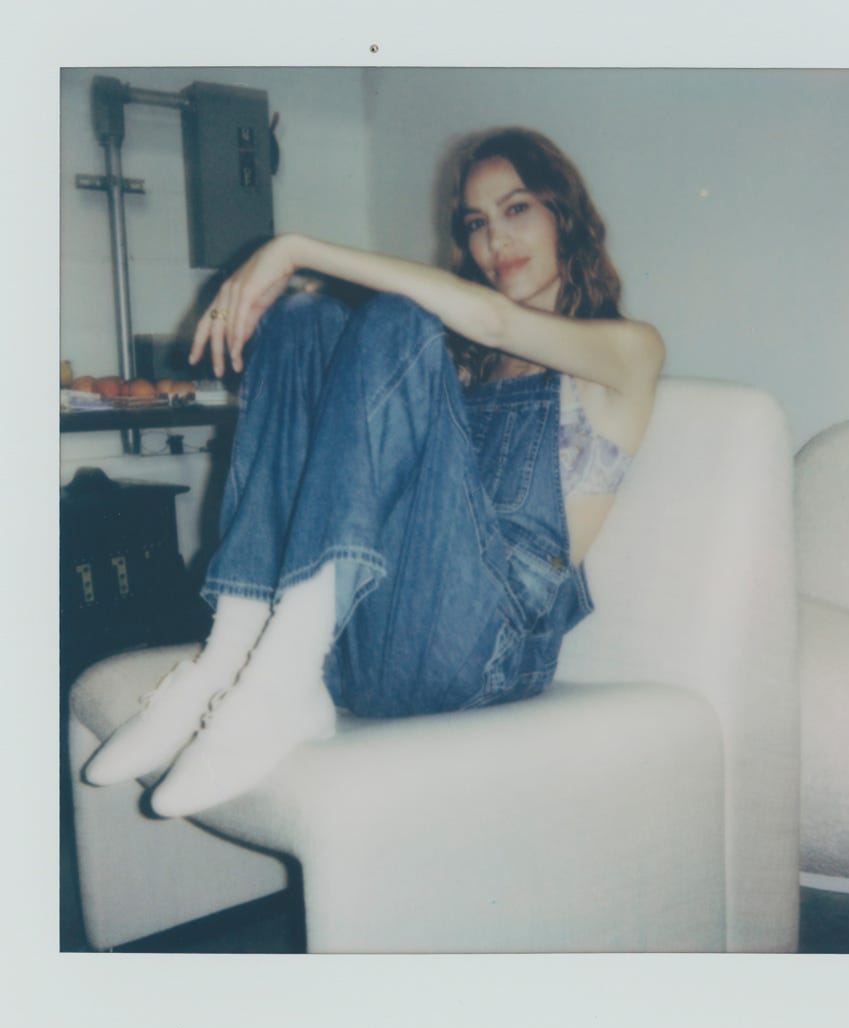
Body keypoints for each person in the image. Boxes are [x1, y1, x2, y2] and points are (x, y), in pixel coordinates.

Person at [84, 126, 665, 818]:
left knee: (398, 315)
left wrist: (293, 248)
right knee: (303, 321)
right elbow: (464, 343)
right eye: (476, 223)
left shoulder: (626, 353)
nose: (495, 242)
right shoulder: (459, 365)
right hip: (369, 643)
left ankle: (276, 682)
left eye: (517, 209)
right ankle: (234, 657)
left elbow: (495, 322)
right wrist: (295, 286)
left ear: (565, 214)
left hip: (482, 655)